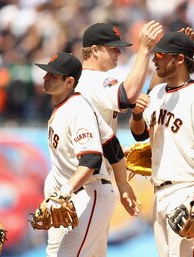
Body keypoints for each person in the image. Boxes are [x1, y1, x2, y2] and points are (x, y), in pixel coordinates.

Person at [129, 32, 194, 257]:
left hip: (187, 189)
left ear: (180, 59)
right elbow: (140, 135)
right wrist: (136, 115)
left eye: (161, 55)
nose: (155, 60)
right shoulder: (156, 93)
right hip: (159, 191)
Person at [35, 52, 140, 257]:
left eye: (53, 75)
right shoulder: (69, 106)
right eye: (46, 73)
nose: (46, 77)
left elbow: (92, 158)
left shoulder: (77, 109)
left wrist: (65, 191)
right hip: (80, 196)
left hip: (88, 196)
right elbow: (112, 146)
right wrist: (123, 185)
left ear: (69, 81)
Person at [76, 21, 162, 134]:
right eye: (113, 48)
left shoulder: (79, 78)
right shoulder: (94, 79)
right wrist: (144, 49)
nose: (119, 52)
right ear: (95, 50)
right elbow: (128, 96)